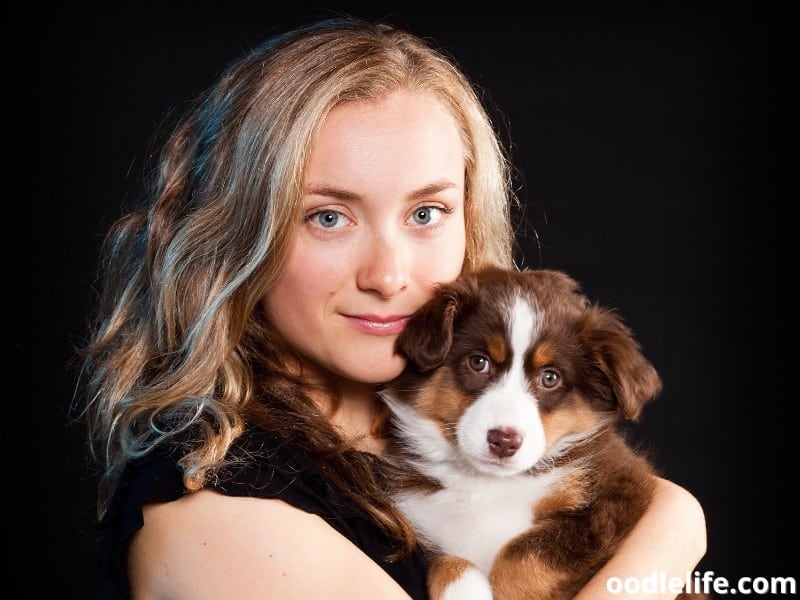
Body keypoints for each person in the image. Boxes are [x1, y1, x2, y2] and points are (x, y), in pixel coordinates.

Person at [79, 16, 707, 599]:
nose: (388, 276)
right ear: (239, 236)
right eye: (328, 217)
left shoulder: (429, 433)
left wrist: (672, 519)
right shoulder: (222, 510)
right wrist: (672, 532)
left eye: (426, 213)